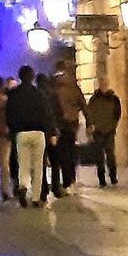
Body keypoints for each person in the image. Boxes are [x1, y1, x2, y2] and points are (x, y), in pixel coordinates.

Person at [6, 65, 57, 207]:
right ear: (32, 77)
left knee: (23, 164)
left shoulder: (14, 95)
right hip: (38, 132)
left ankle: (22, 186)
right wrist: (51, 132)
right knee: (38, 166)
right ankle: (35, 198)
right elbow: (48, 114)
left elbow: (9, 114)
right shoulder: (39, 94)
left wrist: (12, 130)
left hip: (21, 133)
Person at [52, 59, 87, 192]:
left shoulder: (54, 86)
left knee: (61, 154)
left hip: (59, 124)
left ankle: (64, 180)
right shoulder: (73, 86)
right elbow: (83, 104)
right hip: (72, 124)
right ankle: (70, 179)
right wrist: (89, 121)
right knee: (71, 151)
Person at [87, 83, 122, 187]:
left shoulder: (114, 99)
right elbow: (90, 113)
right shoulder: (94, 99)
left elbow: (117, 113)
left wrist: (113, 125)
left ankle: (113, 177)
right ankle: (101, 178)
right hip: (98, 131)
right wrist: (92, 125)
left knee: (110, 154)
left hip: (109, 130)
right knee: (99, 156)